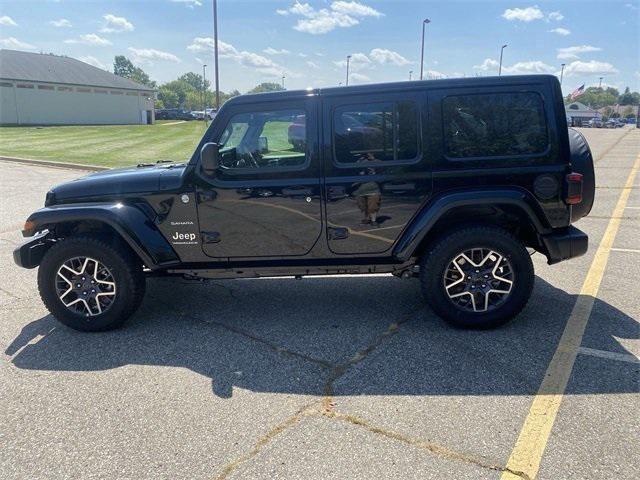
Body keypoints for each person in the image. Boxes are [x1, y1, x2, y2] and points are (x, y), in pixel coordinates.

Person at [353, 152, 382, 226]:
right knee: (363, 205)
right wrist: (361, 159)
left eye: (367, 154)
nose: (366, 156)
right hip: (361, 187)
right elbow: (355, 167)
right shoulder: (360, 161)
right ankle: (367, 218)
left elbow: (381, 166)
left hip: (373, 187)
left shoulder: (376, 161)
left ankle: (373, 220)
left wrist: (372, 159)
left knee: (373, 205)